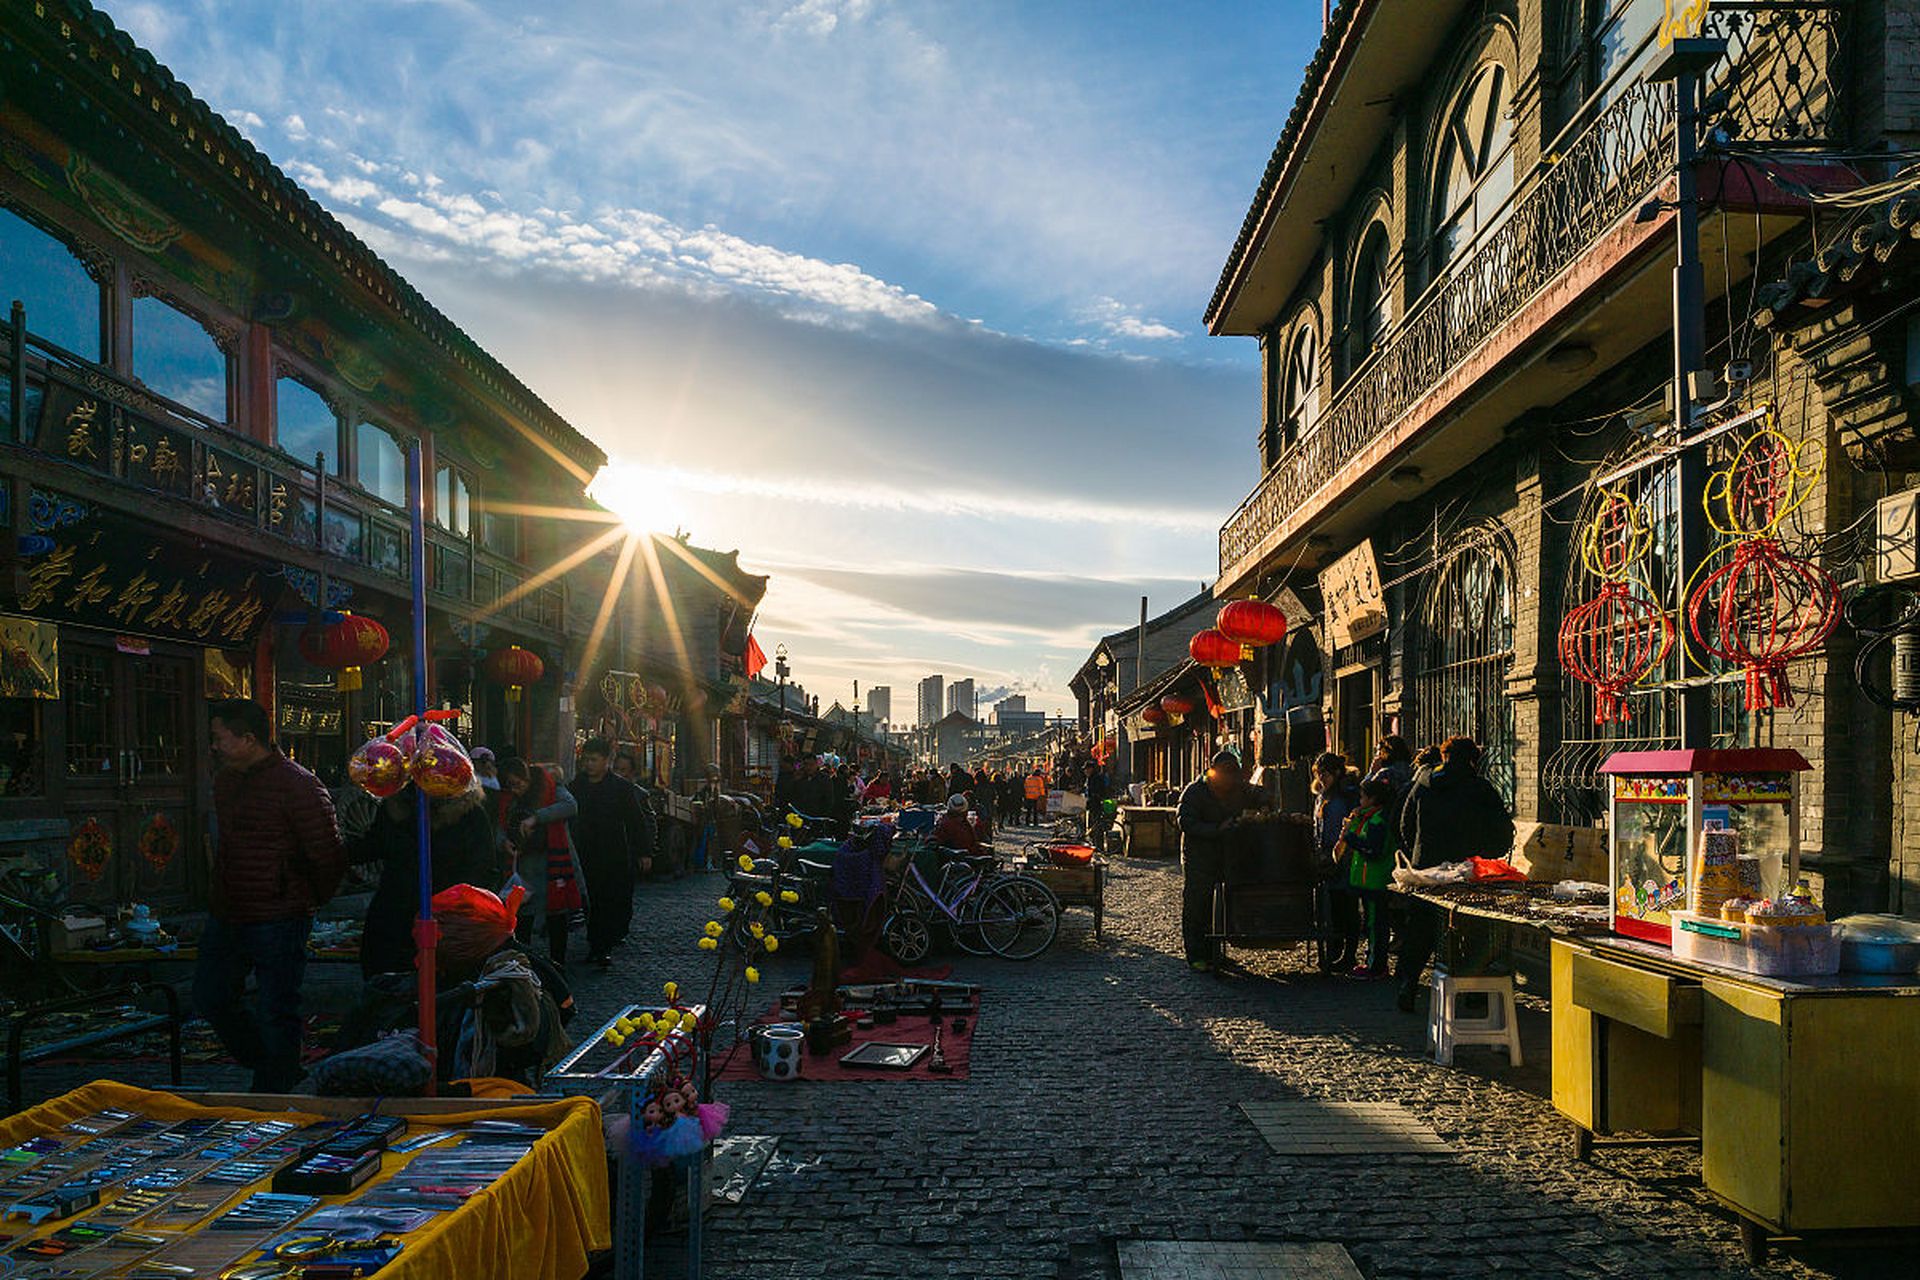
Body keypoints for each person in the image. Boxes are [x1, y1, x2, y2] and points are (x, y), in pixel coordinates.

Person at [195, 698, 346, 1093]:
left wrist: (304, 898)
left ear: (248, 739)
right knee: (211, 994)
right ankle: (270, 1063)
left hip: (280, 912)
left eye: (219, 737)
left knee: (277, 1006)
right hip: (230, 909)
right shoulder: (226, 781)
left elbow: (327, 855)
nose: (214, 746)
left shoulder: (299, 785)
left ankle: (274, 1085)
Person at [1394, 736, 1514, 1010]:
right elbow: (1502, 830)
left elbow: (1405, 823)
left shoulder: (1422, 785)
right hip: (1464, 870)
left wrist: (1417, 855)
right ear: (1473, 760)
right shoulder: (1479, 788)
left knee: (1421, 928)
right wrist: (1488, 854)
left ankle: (1408, 983)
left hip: (1426, 870)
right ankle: (1470, 991)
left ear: (1445, 757)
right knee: (1471, 929)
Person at [348, 771, 497, 978]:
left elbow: (481, 867)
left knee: (439, 977)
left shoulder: (470, 814)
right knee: (387, 974)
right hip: (396, 910)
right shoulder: (399, 807)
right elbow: (374, 844)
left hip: (445, 913)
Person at [1176, 750, 1265, 971]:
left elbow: (1257, 792)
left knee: (1224, 905)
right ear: (1213, 771)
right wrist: (1216, 830)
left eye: (1233, 774)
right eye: (1226, 774)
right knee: (1198, 905)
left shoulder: (1238, 786)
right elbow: (1186, 822)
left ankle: (1216, 953)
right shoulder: (1195, 792)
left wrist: (1264, 804)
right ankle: (1197, 955)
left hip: (1228, 855)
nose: (1230, 779)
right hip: (1199, 856)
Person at [571, 737, 653, 968]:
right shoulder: (576, 787)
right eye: (586, 760)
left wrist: (643, 852)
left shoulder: (621, 788)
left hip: (614, 853)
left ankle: (602, 946)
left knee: (610, 900)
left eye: (594, 760)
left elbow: (636, 822)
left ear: (607, 761)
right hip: (585, 852)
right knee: (591, 901)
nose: (589, 765)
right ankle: (596, 943)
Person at [500, 759, 585, 965]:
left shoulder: (550, 788)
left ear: (527, 778)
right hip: (525, 865)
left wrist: (537, 817)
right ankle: (523, 963)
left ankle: (557, 963)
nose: (516, 789)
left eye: (518, 784)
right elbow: (500, 824)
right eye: (511, 785)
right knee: (523, 917)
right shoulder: (509, 799)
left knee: (556, 915)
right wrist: (503, 842)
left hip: (552, 865)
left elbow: (570, 806)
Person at [1333, 776, 1399, 978]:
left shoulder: (1378, 820)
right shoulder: (1367, 817)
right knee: (1371, 923)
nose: (1359, 801)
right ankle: (1373, 962)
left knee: (1376, 925)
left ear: (1372, 799)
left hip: (1375, 880)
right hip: (1366, 879)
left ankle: (1376, 966)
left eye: (1362, 797)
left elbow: (1372, 850)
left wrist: (1350, 839)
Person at [1081, 759, 1112, 848]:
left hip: (1096, 805)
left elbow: (1098, 792)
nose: (1085, 771)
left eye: (1086, 769)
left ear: (1091, 769)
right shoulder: (1089, 778)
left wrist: (1094, 797)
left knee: (1097, 826)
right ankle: (1094, 844)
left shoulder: (1096, 778)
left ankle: (1099, 846)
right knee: (1092, 826)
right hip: (1090, 805)